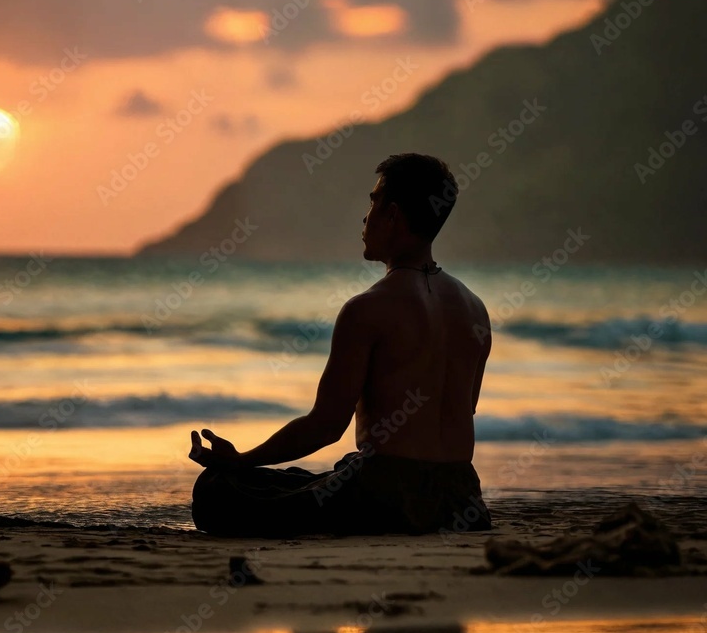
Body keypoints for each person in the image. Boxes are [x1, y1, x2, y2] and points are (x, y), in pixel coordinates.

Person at [189, 153, 493, 537]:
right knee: (308, 476)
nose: (365, 218)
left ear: (393, 214)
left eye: (373, 202)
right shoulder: (475, 310)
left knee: (217, 490)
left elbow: (325, 427)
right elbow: (465, 409)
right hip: (462, 499)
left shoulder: (367, 309)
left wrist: (241, 460)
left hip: (387, 501)